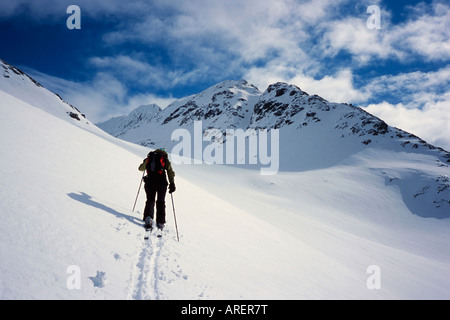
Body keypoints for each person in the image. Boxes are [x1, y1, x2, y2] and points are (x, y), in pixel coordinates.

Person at [138, 148, 176, 230]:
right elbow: (170, 172)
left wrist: (145, 162)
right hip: (161, 183)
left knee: (150, 200)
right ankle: (160, 222)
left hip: (150, 182)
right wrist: (172, 183)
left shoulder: (149, 158)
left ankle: (148, 218)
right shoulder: (165, 160)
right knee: (161, 201)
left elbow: (141, 169)